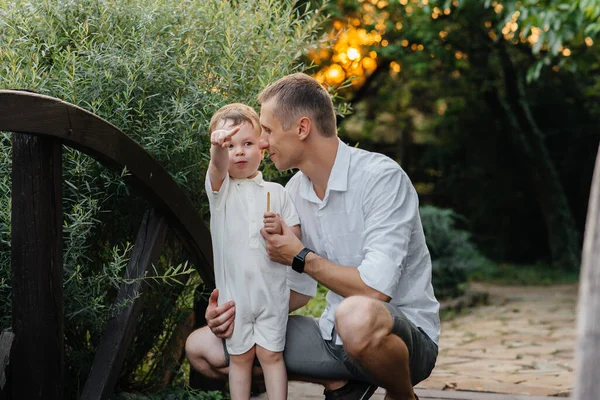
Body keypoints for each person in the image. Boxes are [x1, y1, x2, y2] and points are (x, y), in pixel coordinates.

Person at [186, 74, 440, 400]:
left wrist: (301, 256)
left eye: (267, 130)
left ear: (302, 128)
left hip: (405, 340)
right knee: (202, 346)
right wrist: (235, 309)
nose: (261, 142)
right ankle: (342, 383)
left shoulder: (381, 179)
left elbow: (375, 290)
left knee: (355, 315)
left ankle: (402, 396)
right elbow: (297, 292)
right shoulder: (291, 194)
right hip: (332, 336)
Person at [203, 103, 301, 400]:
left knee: (272, 356)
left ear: (262, 146)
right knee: (240, 359)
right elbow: (218, 165)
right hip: (235, 298)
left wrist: (280, 230)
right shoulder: (220, 191)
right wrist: (217, 147)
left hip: (271, 294)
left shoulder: (278, 192)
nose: (239, 152)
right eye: (230, 145)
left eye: (247, 143)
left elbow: (295, 239)